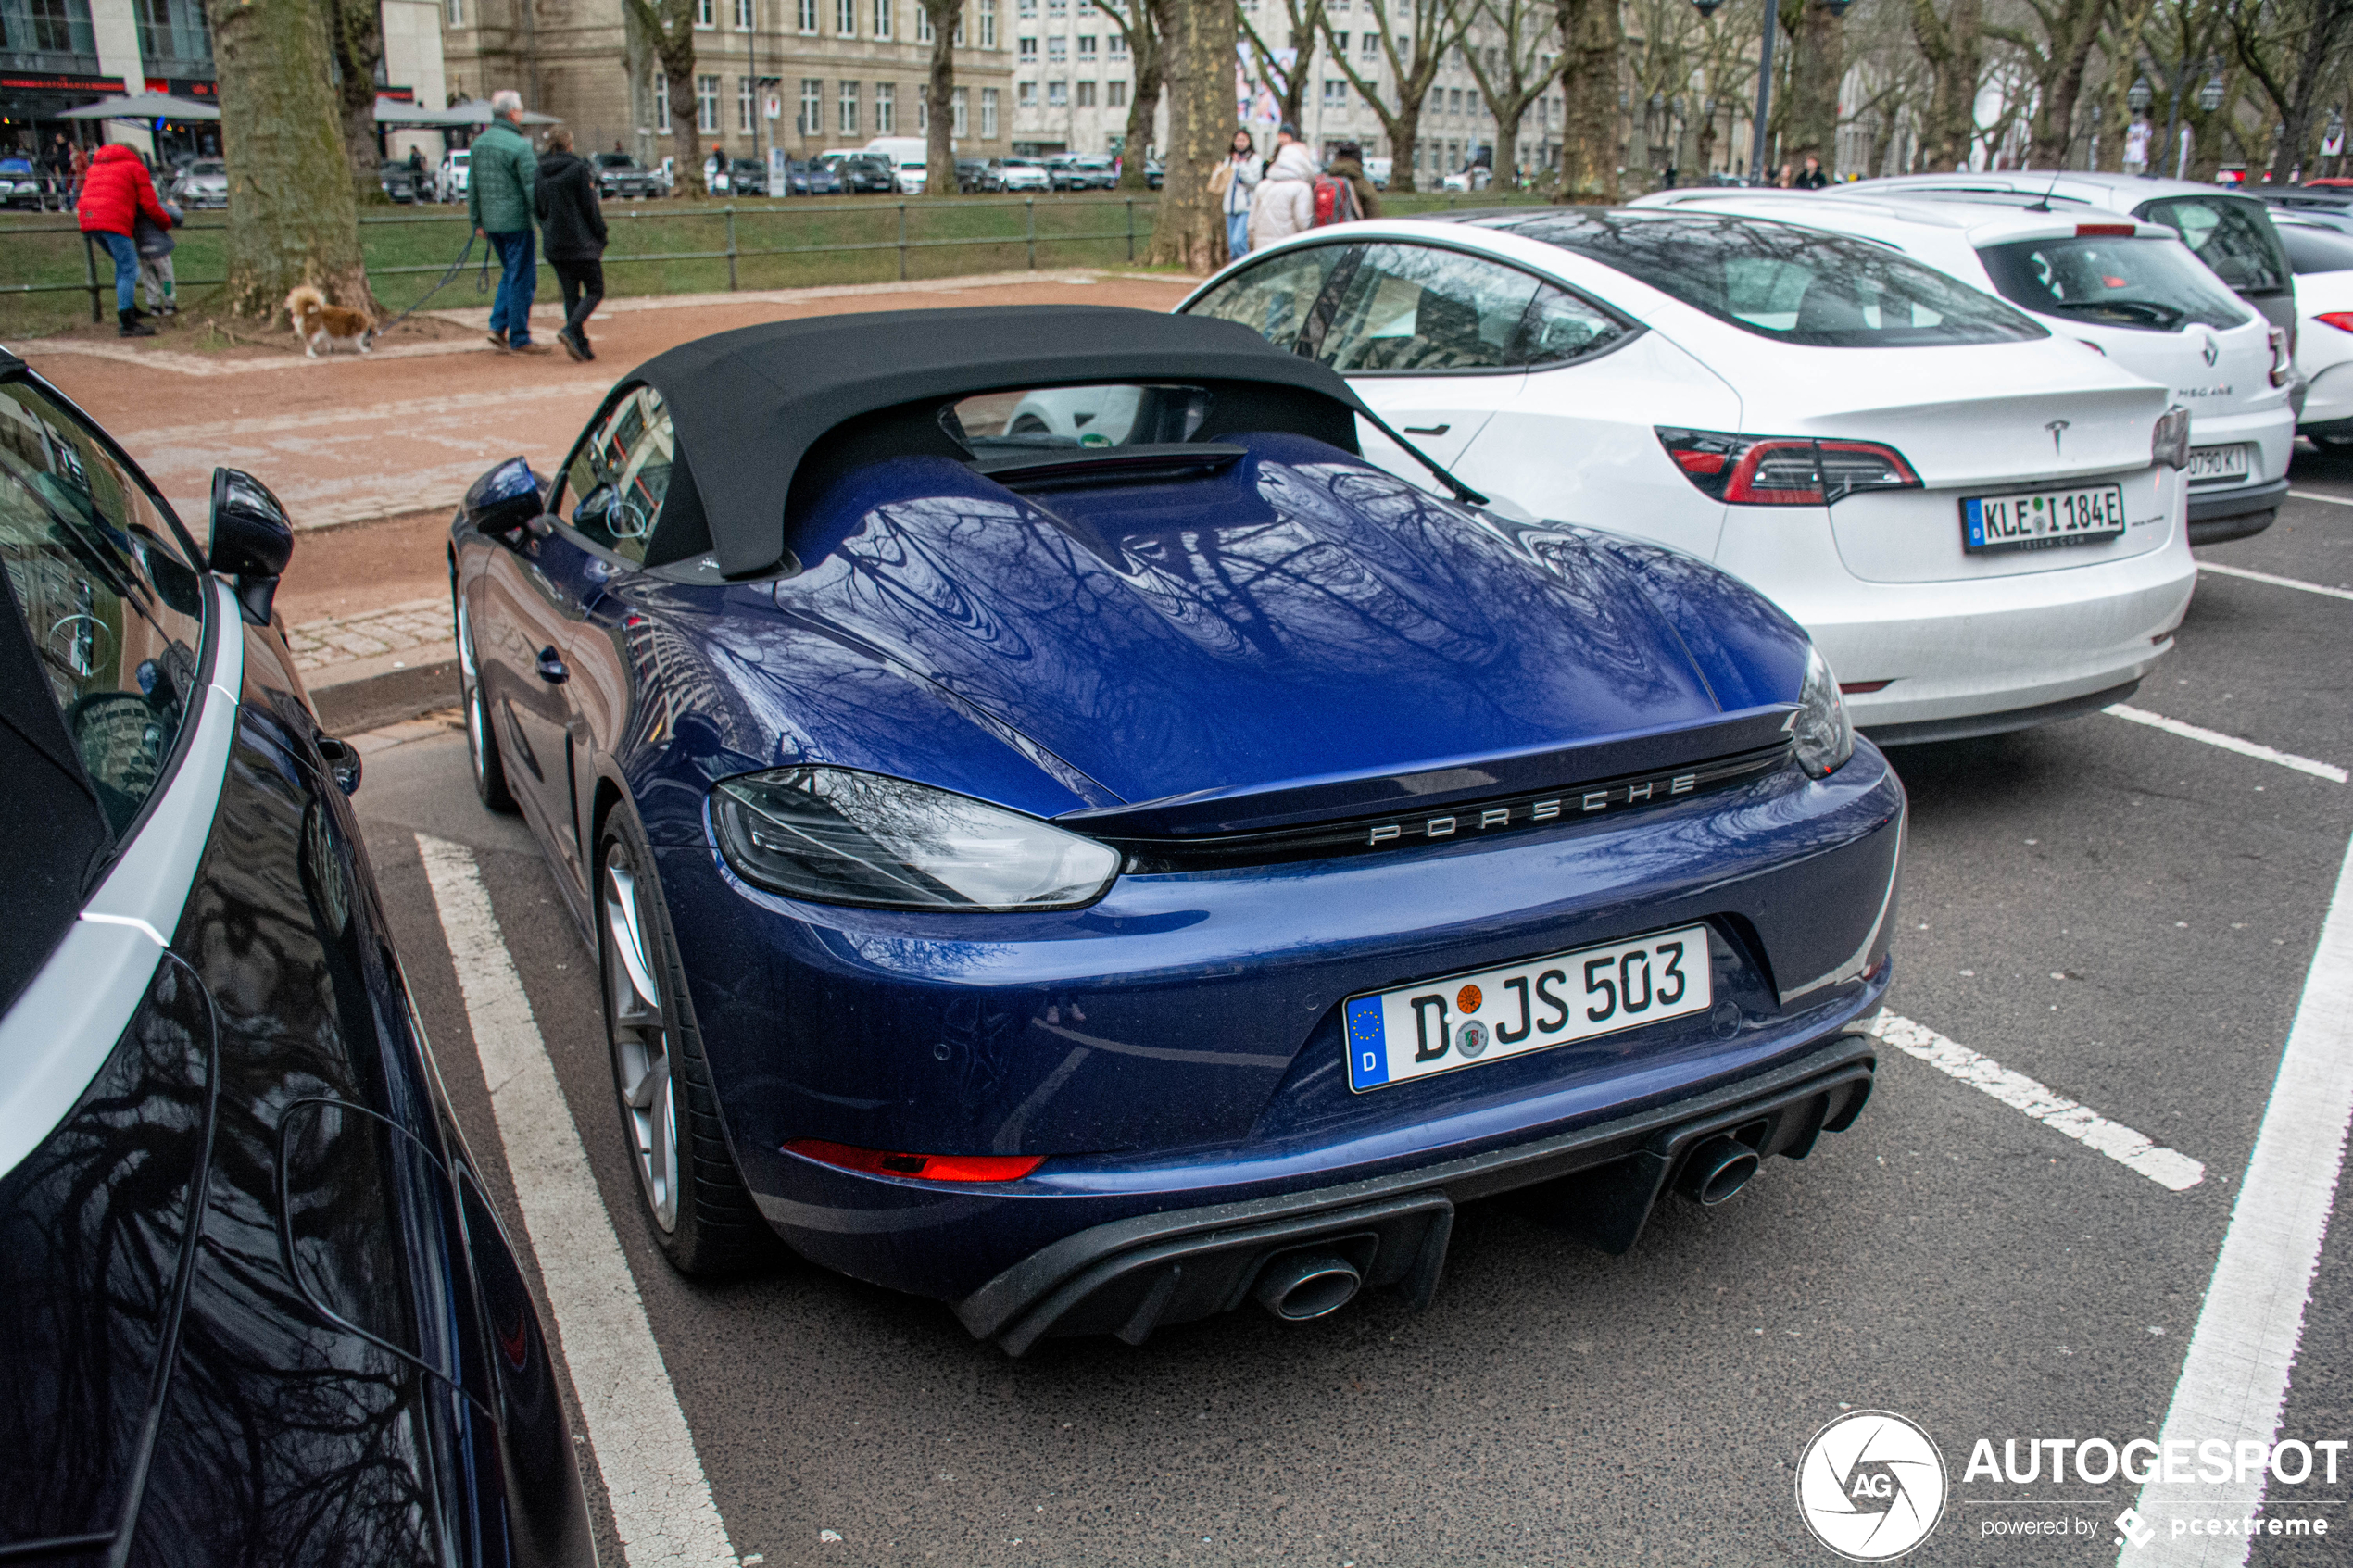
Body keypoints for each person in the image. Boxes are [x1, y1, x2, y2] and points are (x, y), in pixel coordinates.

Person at [468, 89, 551, 354]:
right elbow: (531, 188)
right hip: (516, 221)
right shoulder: (519, 147)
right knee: (522, 277)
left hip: (492, 223)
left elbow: (473, 187)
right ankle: (519, 335)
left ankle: (497, 326)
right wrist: (543, 220)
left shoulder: (479, 144)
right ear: (513, 113)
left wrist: (477, 221)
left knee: (509, 273)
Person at [75, 142, 172, 337]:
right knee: (130, 268)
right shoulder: (135, 168)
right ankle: (128, 319)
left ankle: (130, 308)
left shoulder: (97, 166)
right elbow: (150, 204)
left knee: (123, 266)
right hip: (113, 220)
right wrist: (166, 222)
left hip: (89, 218)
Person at [535, 125, 607, 362]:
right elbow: (589, 207)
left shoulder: (539, 171)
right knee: (595, 289)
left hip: (555, 243)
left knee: (570, 295)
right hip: (580, 242)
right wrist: (600, 234)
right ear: (569, 144)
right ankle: (572, 329)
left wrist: (547, 227)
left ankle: (580, 343)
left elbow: (538, 207)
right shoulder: (577, 169)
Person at [1248, 129, 1317, 250]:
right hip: (1288, 251)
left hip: (1262, 252)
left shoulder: (1263, 185)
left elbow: (1251, 224)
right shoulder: (1301, 188)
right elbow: (1304, 224)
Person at [1211, 129, 1262, 260]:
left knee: (1238, 241)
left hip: (1245, 207)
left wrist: (1242, 165)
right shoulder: (1229, 159)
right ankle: (1236, 275)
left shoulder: (1254, 159)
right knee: (1232, 248)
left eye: (1243, 140)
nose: (1240, 143)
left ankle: (1247, 269)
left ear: (1248, 141)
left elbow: (1254, 182)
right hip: (1230, 207)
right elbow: (1223, 182)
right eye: (1238, 140)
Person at [132, 194, 182, 317]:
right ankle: (169, 304)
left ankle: (154, 306)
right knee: (166, 278)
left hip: (143, 249)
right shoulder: (156, 205)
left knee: (149, 279)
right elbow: (178, 215)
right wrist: (174, 206)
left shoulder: (134, 208)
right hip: (160, 250)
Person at [1327, 140, 1382, 220]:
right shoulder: (1364, 187)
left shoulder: (1326, 182)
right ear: (1359, 159)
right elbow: (1375, 219)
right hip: (1354, 231)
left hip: (1326, 231)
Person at [42, 133, 71, 210]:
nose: (57, 140)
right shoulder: (56, 148)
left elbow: (66, 160)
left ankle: (68, 204)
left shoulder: (67, 148)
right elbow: (52, 161)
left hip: (67, 171)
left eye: (58, 138)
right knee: (61, 188)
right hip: (60, 172)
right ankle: (64, 204)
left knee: (66, 188)